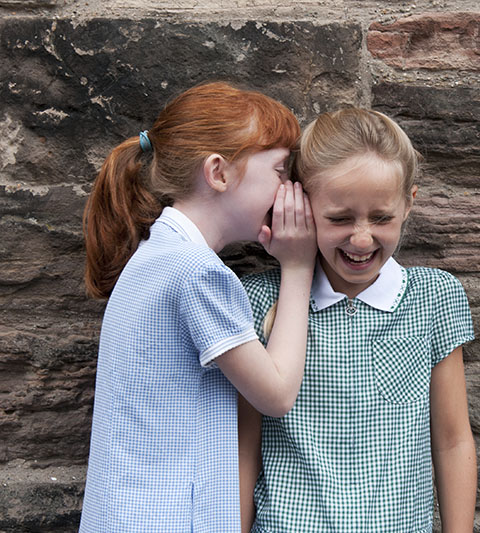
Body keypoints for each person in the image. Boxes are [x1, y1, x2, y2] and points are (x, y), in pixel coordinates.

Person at [79, 81, 317, 533]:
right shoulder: (197, 273)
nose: (290, 188)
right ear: (219, 173)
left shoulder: (156, 254)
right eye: (281, 171)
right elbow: (277, 394)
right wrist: (299, 266)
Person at [240, 108, 477, 532]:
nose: (362, 238)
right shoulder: (259, 302)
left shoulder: (435, 298)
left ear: (408, 205)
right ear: (300, 206)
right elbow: (243, 449)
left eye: (381, 218)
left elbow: (453, 439)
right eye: (340, 218)